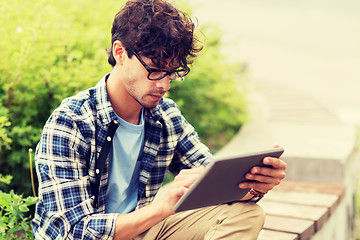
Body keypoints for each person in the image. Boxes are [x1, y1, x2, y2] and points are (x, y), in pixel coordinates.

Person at [32, 0, 287, 239]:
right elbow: (72, 231)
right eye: (155, 70)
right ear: (120, 52)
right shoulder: (71, 123)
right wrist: (161, 208)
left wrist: (253, 184)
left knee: (246, 214)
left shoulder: (165, 117)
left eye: (172, 72)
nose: (164, 84)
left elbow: (209, 182)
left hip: (142, 230)